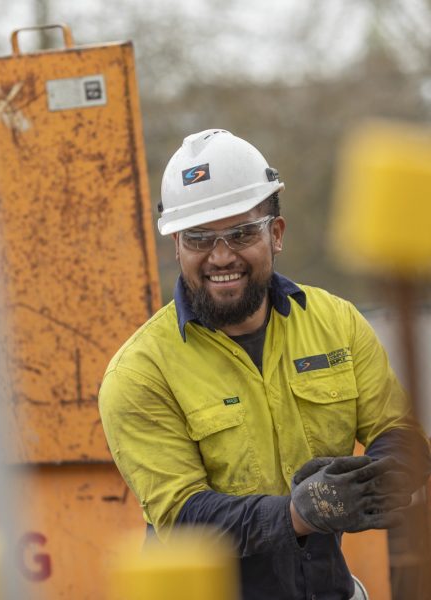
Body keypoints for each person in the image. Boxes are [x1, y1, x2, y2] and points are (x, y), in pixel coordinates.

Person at [99, 129, 430, 600]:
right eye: (198, 238)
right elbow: (183, 518)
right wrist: (302, 512)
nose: (220, 257)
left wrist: (380, 479)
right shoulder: (140, 373)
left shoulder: (336, 323)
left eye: (240, 233)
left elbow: (397, 431)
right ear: (176, 244)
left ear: (275, 233)